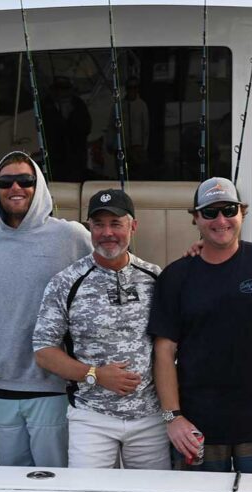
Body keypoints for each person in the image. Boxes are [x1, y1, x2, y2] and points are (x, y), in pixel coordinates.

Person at [149, 177, 252, 473]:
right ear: (196, 218)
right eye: (210, 212)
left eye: (229, 210)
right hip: (197, 430)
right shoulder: (175, 276)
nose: (221, 220)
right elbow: (163, 350)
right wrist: (173, 418)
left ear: (242, 213)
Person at [0, 150, 91, 467]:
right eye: (6, 182)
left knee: (56, 486)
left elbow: (116, 266)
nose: (16, 188)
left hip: (54, 386)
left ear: (39, 186)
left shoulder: (71, 236)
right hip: (2, 385)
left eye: (25, 180)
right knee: (12, 488)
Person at [33, 189, 168, 469]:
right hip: (91, 418)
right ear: (89, 228)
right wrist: (95, 375)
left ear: (133, 226)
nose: (107, 232)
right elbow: (44, 351)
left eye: (116, 224)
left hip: (150, 418)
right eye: (98, 224)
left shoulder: (156, 278)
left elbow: (173, 343)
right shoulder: (66, 282)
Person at [104, 77, 150, 173]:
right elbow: (112, 125)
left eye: (135, 87)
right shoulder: (119, 106)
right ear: (126, 89)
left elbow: (146, 128)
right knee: (122, 174)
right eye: (130, 87)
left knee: (137, 175)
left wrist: (144, 147)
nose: (132, 90)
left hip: (137, 148)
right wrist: (110, 142)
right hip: (122, 147)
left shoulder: (142, 105)